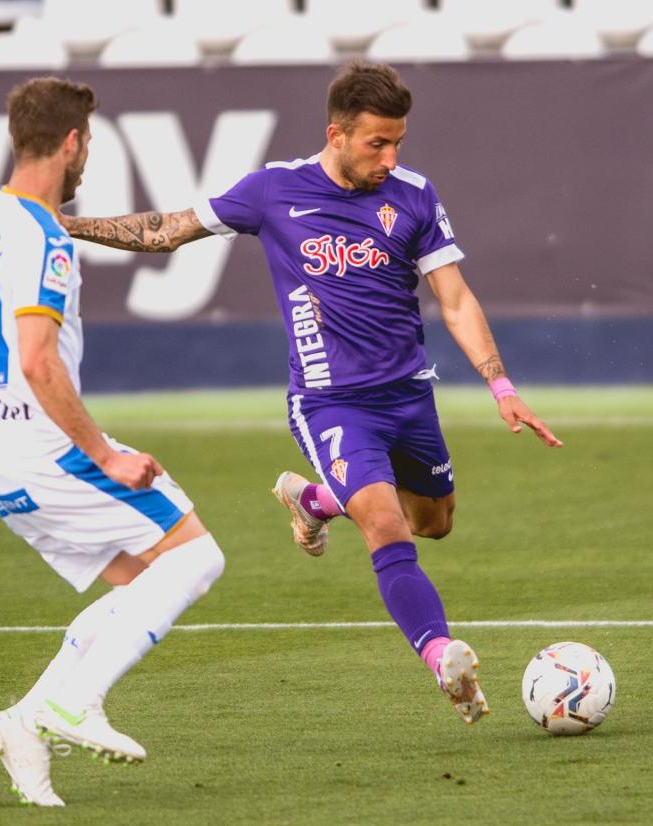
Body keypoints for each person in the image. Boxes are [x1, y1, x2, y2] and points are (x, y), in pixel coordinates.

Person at [59, 62, 560, 726]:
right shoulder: (273, 191)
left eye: (398, 143)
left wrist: (502, 386)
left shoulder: (414, 196)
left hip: (409, 399)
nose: (390, 157)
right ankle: (443, 659)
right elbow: (167, 230)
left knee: (433, 522)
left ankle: (314, 499)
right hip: (330, 404)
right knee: (384, 525)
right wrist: (67, 226)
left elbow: (456, 299)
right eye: (376, 143)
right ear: (337, 133)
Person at [0, 77, 225, 807]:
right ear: (73, 142)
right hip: (48, 454)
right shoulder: (44, 235)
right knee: (198, 555)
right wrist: (107, 455)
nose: (88, 162)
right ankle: (72, 704)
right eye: (90, 146)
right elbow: (39, 360)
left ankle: (25, 721)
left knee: (144, 580)